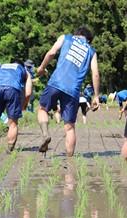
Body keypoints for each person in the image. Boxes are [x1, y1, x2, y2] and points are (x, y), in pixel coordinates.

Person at [37, 26, 100, 157]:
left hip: (56, 83)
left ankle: (45, 134)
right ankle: (70, 160)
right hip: (73, 90)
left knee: (43, 109)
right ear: (88, 40)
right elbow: (95, 74)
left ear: (76, 34)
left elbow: (51, 53)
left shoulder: (65, 38)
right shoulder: (91, 51)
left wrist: (42, 68)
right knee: (70, 126)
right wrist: (96, 96)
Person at [0, 60, 33, 154]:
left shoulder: (0, 67)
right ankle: (9, 150)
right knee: (13, 123)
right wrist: (24, 105)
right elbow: (28, 93)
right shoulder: (24, 70)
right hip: (13, 90)